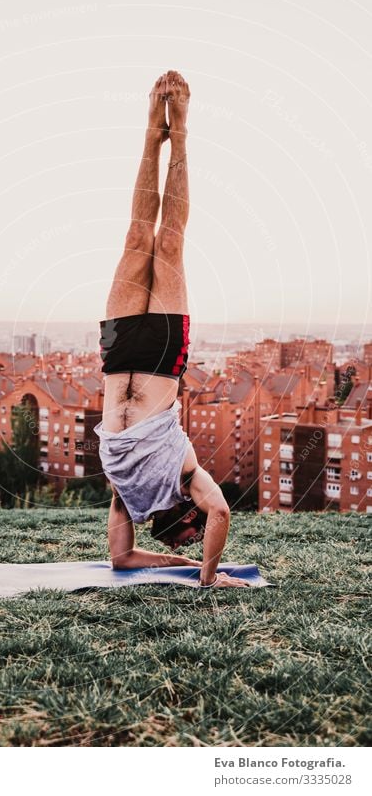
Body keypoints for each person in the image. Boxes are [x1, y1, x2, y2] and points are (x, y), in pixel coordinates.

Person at [93, 71, 248, 589]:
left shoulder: (128, 495)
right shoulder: (187, 478)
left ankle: (153, 134)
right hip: (161, 355)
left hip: (116, 356)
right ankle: (171, 134)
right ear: (191, 516)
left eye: (181, 541)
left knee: (141, 236)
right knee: (165, 238)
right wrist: (206, 575)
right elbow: (222, 513)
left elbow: (122, 559)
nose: (183, 537)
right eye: (189, 537)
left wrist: (178, 566)